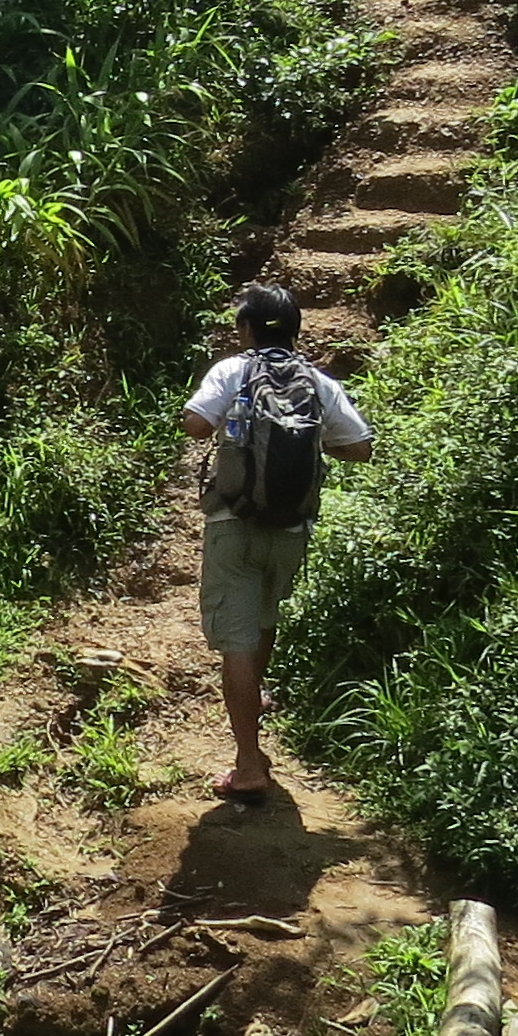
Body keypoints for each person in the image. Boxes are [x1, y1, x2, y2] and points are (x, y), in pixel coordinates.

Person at [182, 282, 373, 800]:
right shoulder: (317, 381)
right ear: (295, 331)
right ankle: (255, 699)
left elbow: (197, 424)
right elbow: (359, 447)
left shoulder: (233, 370)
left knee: (235, 642)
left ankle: (248, 765)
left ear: (245, 329)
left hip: (234, 525)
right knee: (264, 619)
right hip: (291, 529)